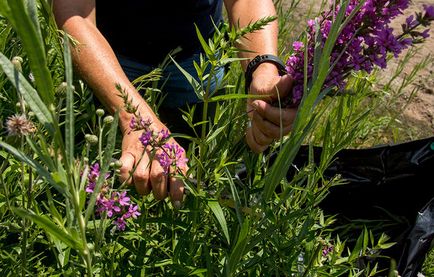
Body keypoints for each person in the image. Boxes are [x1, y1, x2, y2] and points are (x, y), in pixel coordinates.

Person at [52, 0, 297, 206]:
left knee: (188, 153)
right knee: (97, 155)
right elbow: (74, 13)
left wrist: (262, 67)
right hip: (107, 53)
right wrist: (133, 117)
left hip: (196, 57)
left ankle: (175, 214)